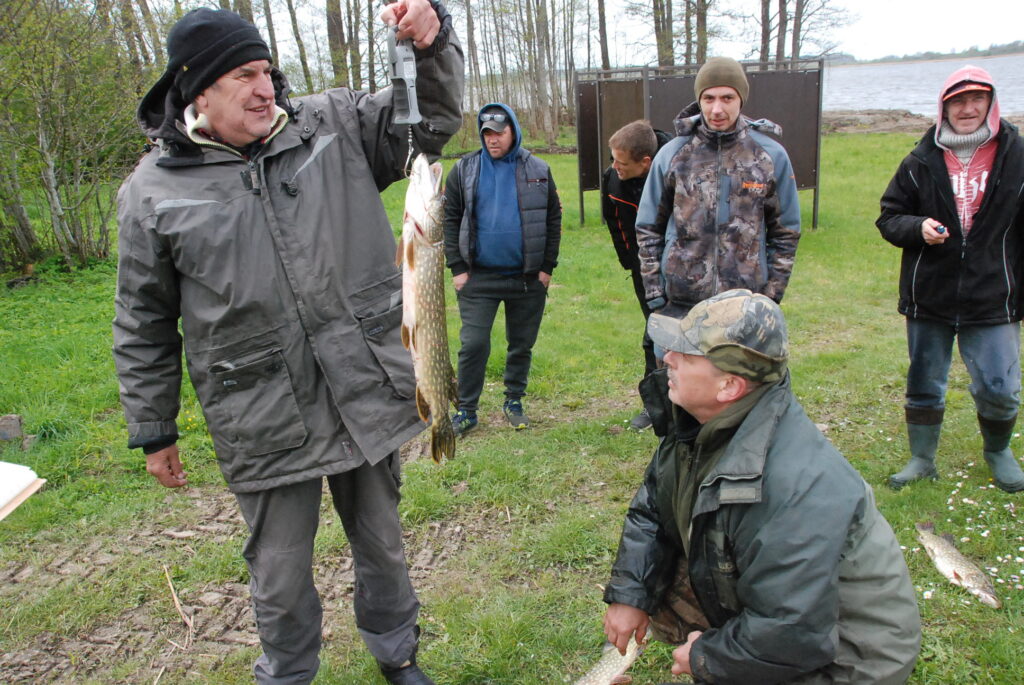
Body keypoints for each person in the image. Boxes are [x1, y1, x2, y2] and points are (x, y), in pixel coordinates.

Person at [111, 4, 463, 684]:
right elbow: (143, 319)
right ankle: (289, 673)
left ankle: (398, 654)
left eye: (267, 70)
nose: (265, 87)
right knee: (278, 571)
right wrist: (154, 427)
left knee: (383, 544)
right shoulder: (150, 193)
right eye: (244, 75)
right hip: (261, 411)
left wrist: (430, 41)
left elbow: (431, 122)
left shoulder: (333, 125)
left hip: (362, 387)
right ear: (197, 89)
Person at [602, 290, 921, 684]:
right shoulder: (699, 419)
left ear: (729, 386)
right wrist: (630, 593)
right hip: (797, 621)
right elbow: (653, 507)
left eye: (686, 353)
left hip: (847, 660)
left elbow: (794, 631)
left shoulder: (796, 485)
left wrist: (707, 656)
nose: (667, 358)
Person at [877, 65, 1024, 493]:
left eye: (976, 99)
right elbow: (889, 217)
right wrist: (917, 226)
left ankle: (998, 452)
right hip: (931, 294)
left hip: (994, 295)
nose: (967, 108)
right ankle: (922, 459)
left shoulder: (1017, 156)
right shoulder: (919, 161)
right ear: (943, 107)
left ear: (991, 103)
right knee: (924, 382)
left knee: (1000, 386)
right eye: (957, 101)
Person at [635, 57, 800, 330]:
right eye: (709, 98)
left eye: (727, 98)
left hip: (744, 305)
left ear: (741, 99)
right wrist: (655, 292)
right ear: (699, 100)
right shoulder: (673, 154)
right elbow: (648, 227)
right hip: (680, 304)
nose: (717, 109)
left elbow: (786, 232)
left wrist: (770, 297)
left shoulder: (770, 157)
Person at [443, 103, 561, 435]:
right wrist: (457, 267)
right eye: (487, 134)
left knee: (521, 344)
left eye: (499, 133)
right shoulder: (464, 170)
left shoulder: (538, 169)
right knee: (473, 344)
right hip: (478, 277)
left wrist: (546, 267)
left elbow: (553, 218)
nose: (492, 140)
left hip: (526, 278)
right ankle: (466, 409)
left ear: (513, 131)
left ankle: (514, 401)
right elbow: (450, 219)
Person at [601, 120, 670, 431]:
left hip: (683, 269)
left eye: (622, 162)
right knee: (654, 335)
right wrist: (634, 265)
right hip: (644, 270)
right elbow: (617, 225)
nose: (614, 167)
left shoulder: (677, 169)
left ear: (646, 162)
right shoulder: (613, 180)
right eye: (613, 159)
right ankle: (656, 405)